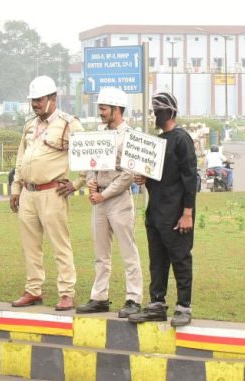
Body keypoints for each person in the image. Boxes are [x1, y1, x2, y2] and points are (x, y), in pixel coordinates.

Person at [9, 76, 85, 311]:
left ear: (53, 98)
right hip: (28, 193)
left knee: (59, 244)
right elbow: (21, 157)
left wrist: (77, 183)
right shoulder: (29, 125)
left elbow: (87, 155)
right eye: (33, 100)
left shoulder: (69, 124)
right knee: (30, 245)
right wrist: (16, 187)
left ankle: (66, 293)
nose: (35, 104)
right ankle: (33, 290)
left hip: (53, 192)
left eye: (39, 100)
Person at [128, 92, 197, 327]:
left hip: (176, 213)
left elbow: (190, 179)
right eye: (154, 110)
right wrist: (143, 178)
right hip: (155, 211)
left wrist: (187, 213)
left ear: (172, 111)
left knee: (180, 259)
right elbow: (158, 176)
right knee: (157, 261)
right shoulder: (156, 143)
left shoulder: (182, 139)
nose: (157, 114)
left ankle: (183, 307)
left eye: (160, 109)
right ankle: (157, 304)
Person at [75, 88, 143, 318]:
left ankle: (133, 298)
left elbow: (128, 174)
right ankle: (99, 297)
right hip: (99, 199)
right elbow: (91, 164)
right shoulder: (99, 134)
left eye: (104, 108)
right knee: (100, 253)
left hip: (119, 200)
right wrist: (92, 185)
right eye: (100, 108)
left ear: (117, 109)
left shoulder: (129, 136)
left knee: (128, 251)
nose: (100, 112)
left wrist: (104, 194)